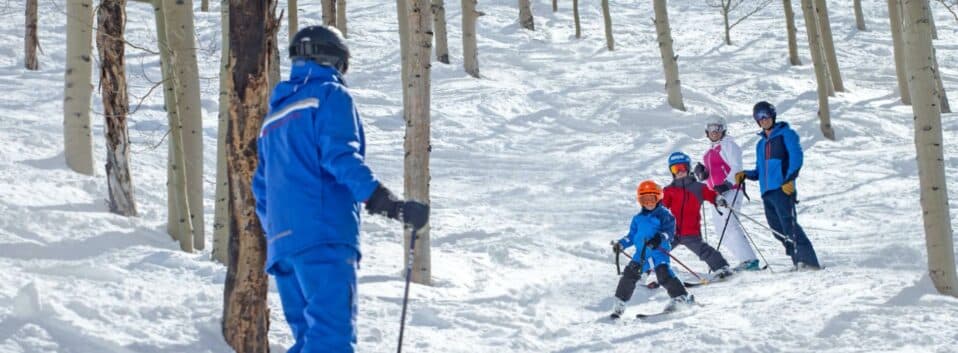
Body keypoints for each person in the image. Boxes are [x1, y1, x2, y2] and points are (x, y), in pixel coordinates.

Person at [252, 25, 429, 353]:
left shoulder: (272, 119)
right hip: (324, 237)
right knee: (331, 340)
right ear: (334, 60)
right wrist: (386, 202)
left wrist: (281, 232)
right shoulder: (330, 96)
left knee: (309, 339)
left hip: (284, 247)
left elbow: (261, 189)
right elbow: (340, 157)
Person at [736, 101, 821, 270]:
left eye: (765, 116)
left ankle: (809, 262)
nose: (763, 120)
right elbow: (760, 171)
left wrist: (789, 181)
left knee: (790, 226)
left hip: (782, 189)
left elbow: (796, 158)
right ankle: (797, 261)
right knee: (777, 230)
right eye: (759, 118)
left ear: (772, 116)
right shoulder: (760, 144)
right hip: (766, 192)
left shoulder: (786, 134)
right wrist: (746, 174)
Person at [610, 180, 693, 319]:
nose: (648, 202)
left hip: (658, 252)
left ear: (658, 197)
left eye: (651, 199)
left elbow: (670, 232)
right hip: (641, 255)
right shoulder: (638, 218)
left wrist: (659, 238)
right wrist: (621, 244)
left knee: (663, 274)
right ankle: (620, 303)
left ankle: (681, 297)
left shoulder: (664, 214)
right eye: (644, 199)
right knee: (629, 275)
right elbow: (631, 236)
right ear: (640, 201)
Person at [694, 116, 760, 271]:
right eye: (711, 129)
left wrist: (728, 183)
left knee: (730, 225)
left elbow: (737, 166)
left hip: (731, 191)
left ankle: (749, 260)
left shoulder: (729, 145)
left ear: (723, 130)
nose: (714, 132)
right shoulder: (708, 152)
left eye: (717, 128)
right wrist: (701, 176)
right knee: (721, 231)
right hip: (716, 195)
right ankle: (744, 261)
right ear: (706, 131)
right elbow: (710, 177)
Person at [663, 152, 734, 279]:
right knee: (658, 250)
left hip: (691, 231)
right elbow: (661, 207)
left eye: (682, 168)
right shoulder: (669, 190)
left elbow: (711, 194)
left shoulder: (698, 187)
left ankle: (722, 268)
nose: (679, 171)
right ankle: (642, 271)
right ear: (671, 171)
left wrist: (718, 199)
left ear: (688, 168)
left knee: (704, 251)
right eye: (675, 169)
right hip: (672, 232)